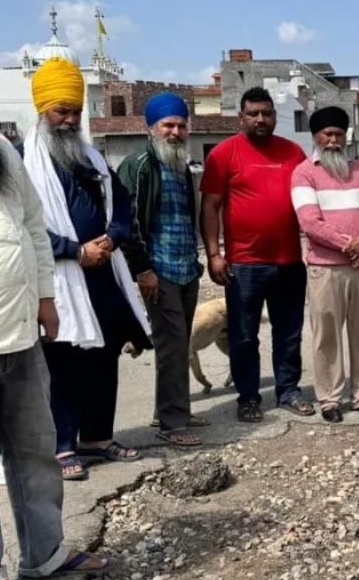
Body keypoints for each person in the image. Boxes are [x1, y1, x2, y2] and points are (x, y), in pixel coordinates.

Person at [20, 57, 151, 481]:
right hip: (58, 281)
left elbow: (121, 203)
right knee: (63, 363)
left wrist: (111, 239)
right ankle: (62, 445)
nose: (70, 120)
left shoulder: (92, 158)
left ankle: (97, 437)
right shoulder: (23, 163)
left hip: (102, 276)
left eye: (75, 111)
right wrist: (74, 251)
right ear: (43, 111)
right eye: (62, 111)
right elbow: (23, 226)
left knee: (104, 358)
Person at [0, 134, 108, 580]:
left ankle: (45, 555)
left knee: (35, 447)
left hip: (19, 327)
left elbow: (31, 225)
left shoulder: (3, 151)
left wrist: (46, 297)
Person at [200, 87, 314, 423]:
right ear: (241, 117)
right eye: (253, 114)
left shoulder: (293, 153)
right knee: (244, 335)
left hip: (290, 261)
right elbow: (210, 206)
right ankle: (248, 397)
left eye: (267, 113)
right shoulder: (224, 154)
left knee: (289, 332)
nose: (261, 120)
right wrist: (213, 254)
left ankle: (288, 391)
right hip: (244, 265)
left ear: (275, 117)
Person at [290, 106, 359, 423]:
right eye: (327, 134)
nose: (333, 140)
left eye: (338, 134)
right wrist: (350, 244)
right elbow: (310, 222)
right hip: (326, 267)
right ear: (316, 137)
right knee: (327, 336)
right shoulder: (304, 173)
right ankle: (330, 399)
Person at [118, 92, 205, 447]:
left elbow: (186, 218)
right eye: (168, 125)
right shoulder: (139, 165)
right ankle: (171, 424)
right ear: (151, 128)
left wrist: (197, 262)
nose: (175, 132)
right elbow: (129, 223)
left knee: (179, 343)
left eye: (181, 126)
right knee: (170, 345)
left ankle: (173, 410)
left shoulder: (181, 167)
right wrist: (143, 271)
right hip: (159, 270)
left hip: (186, 267)